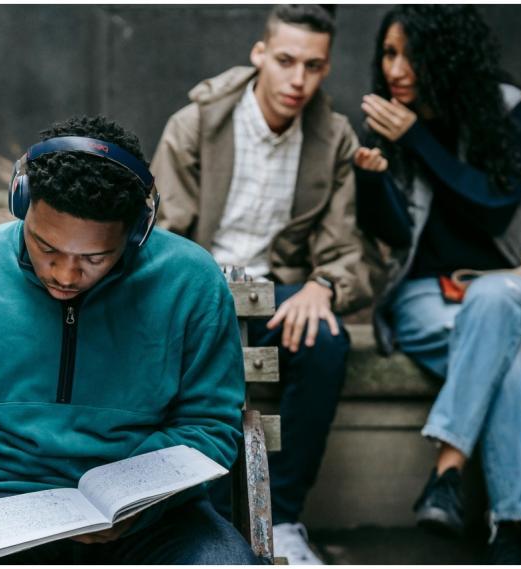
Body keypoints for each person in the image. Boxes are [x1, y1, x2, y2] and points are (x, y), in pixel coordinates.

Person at [0, 115, 260, 565]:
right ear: (21, 201)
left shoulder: (191, 282)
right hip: (0, 512)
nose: (65, 275)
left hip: (159, 518)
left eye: (94, 257)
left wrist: (138, 500)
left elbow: (210, 421)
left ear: (137, 231)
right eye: (46, 247)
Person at [152, 5, 375, 564]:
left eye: (314, 66)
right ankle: (202, 525)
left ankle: (285, 518)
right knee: (187, 362)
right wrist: (197, 300)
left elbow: (345, 249)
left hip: (280, 298)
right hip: (202, 289)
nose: (298, 80)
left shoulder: (333, 139)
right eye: (286, 61)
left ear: (327, 69)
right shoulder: (197, 123)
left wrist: (324, 285)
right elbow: (161, 236)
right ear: (259, 55)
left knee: (326, 342)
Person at [353, 5, 521, 564]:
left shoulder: (501, 109)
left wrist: (420, 140)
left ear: (446, 56)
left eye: (410, 54)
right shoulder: (390, 119)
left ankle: (446, 471)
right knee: (509, 362)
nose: (396, 68)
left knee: (492, 303)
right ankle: (513, 530)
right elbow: (391, 232)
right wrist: (371, 182)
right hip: (424, 297)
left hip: (513, 282)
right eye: (388, 53)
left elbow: (494, 209)